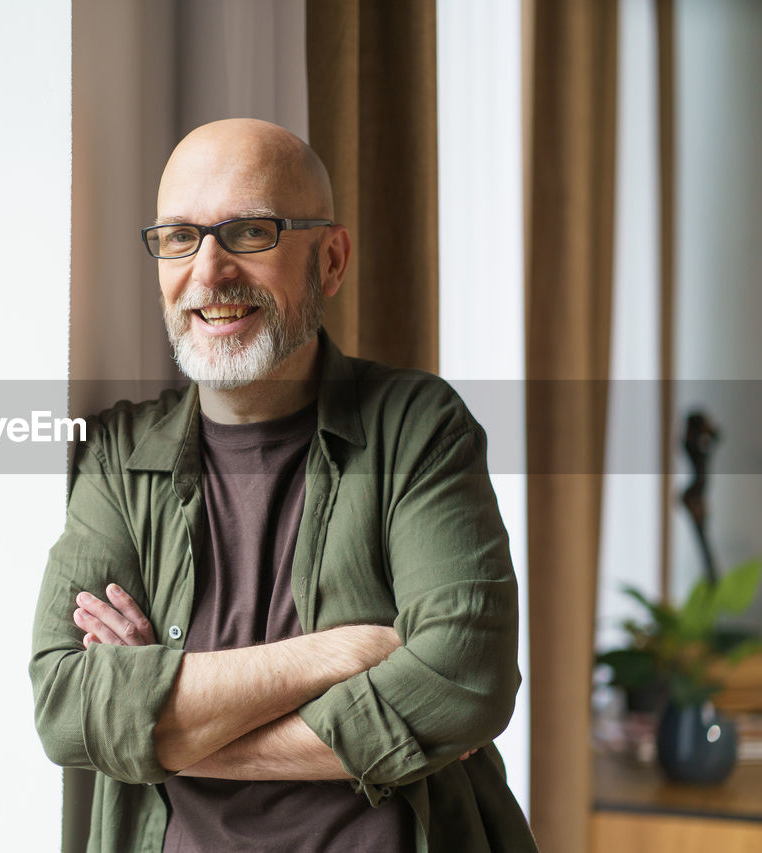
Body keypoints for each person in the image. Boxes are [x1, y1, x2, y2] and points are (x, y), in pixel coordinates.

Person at [30, 118, 536, 852]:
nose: (208, 272)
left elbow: (463, 684)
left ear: (329, 260)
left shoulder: (420, 428)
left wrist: (161, 726)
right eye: (179, 237)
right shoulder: (116, 454)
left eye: (249, 232)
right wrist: (334, 655)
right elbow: (65, 706)